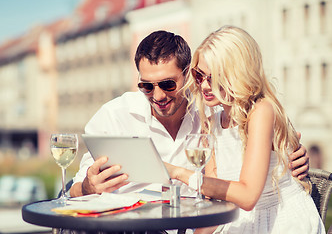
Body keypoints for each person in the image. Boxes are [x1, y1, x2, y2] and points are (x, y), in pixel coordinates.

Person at [69, 30, 309, 199]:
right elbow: (73, 191)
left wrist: (292, 157)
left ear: (187, 74)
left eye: (168, 84)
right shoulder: (114, 116)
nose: (158, 95)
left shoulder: (215, 109)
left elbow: (267, 145)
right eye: (146, 86)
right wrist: (90, 187)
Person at [165, 26, 324, 233]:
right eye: (199, 75)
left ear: (237, 74)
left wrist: (177, 172)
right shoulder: (211, 122)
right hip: (239, 219)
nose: (204, 86)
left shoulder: (261, 111)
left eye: (213, 78)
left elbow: (248, 197)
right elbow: (217, 199)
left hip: (279, 220)